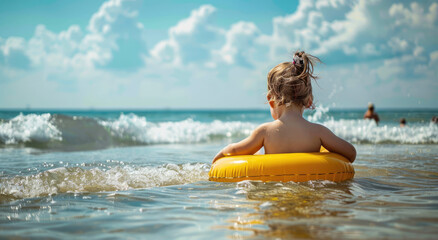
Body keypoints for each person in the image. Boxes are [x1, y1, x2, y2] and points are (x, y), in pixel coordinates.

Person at [212, 51, 356, 163]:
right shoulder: (319, 132)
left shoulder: (264, 132)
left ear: (270, 100)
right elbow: (350, 153)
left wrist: (219, 157)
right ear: (309, 101)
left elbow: (234, 150)